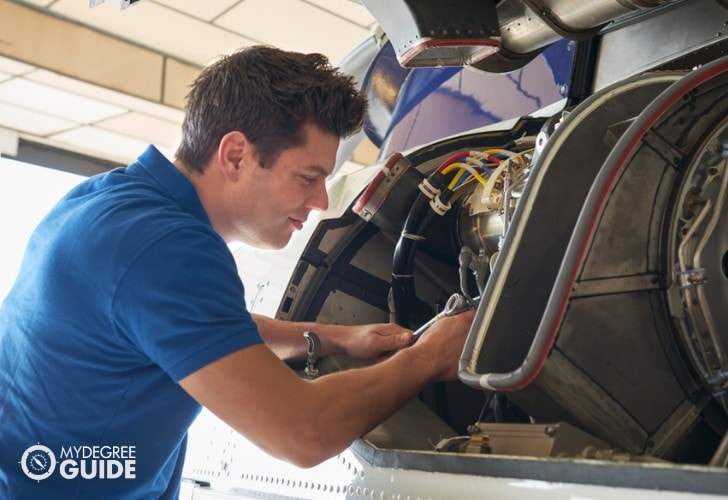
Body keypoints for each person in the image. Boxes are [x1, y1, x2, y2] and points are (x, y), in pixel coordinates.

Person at [0, 45, 474, 498]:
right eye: (308, 178)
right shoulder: (167, 249)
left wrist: (334, 337)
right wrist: (429, 357)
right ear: (234, 156)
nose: (322, 202)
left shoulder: (110, 201)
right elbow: (302, 433)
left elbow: (201, 328)